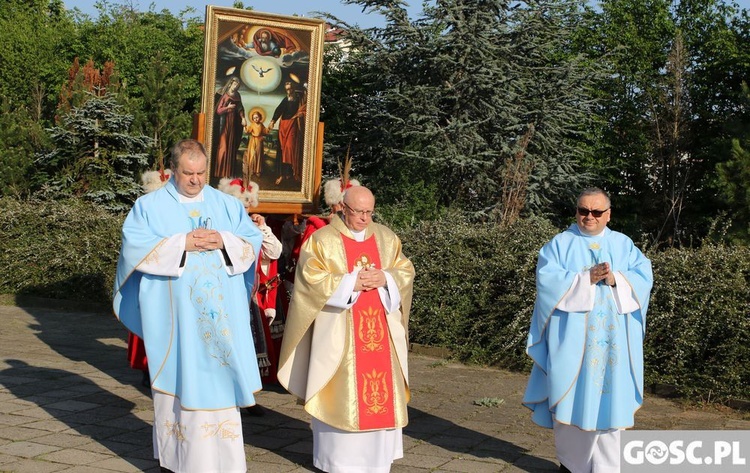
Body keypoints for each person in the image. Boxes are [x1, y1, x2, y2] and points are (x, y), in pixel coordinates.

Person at [113, 139, 264, 473]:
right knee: (181, 379)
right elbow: (134, 247)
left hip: (220, 320)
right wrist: (183, 243)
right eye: (188, 173)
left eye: (201, 172)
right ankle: (179, 460)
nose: (196, 179)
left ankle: (224, 461)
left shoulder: (226, 204)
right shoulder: (149, 206)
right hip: (177, 319)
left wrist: (223, 240)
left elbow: (251, 241)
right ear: (173, 170)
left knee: (220, 380)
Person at [277, 186, 415, 473]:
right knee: (341, 396)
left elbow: (405, 270)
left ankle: (377, 463)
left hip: (380, 334)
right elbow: (309, 278)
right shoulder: (323, 240)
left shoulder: (386, 238)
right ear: (343, 208)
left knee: (380, 396)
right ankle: (337, 463)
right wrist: (350, 283)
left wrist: (385, 277)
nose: (365, 218)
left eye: (369, 212)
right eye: (358, 212)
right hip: (340, 337)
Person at [522, 187, 653, 473]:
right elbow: (547, 282)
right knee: (571, 402)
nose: (589, 217)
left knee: (612, 405)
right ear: (576, 211)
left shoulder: (624, 244)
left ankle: (608, 467)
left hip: (614, 346)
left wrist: (615, 278)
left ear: (608, 215)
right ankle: (572, 465)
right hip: (572, 345)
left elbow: (644, 277)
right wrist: (585, 279)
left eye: (596, 212)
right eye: (584, 211)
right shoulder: (559, 244)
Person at [218, 177, 283, 390]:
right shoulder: (219, 226)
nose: (245, 207)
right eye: (241, 203)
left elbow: (274, 252)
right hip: (223, 292)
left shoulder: (253, 227)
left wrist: (263, 228)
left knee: (248, 343)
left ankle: (247, 391)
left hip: (248, 294)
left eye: (247, 203)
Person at [269, 81, 304, 185]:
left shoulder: (299, 100)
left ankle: (291, 172)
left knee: (289, 148)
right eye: (287, 90)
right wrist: (272, 121)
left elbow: (304, 109)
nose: (289, 91)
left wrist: (301, 114)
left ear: (294, 89)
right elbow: (279, 110)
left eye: (290, 89)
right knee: (282, 149)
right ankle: (282, 174)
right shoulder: (285, 99)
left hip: (293, 125)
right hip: (283, 126)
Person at [212, 77, 245, 179]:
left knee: (231, 148)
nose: (236, 87)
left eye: (238, 86)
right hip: (224, 124)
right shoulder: (224, 95)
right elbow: (218, 110)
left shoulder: (237, 95)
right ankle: (219, 172)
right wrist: (228, 108)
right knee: (223, 147)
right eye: (235, 85)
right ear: (230, 84)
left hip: (234, 125)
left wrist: (243, 118)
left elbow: (240, 108)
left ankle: (228, 173)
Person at [242, 110, 270, 182]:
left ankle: (257, 171)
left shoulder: (261, 125)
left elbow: (265, 131)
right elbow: (247, 131)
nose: (255, 119)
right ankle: (251, 169)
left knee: (258, 155)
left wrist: (269, 127)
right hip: (252, 141)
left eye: (257, 117)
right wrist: (245, 125)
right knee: (252, 155)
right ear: (252, 119)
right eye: (254, 118)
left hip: (259, 141)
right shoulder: (252, 125)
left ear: (260, 117)